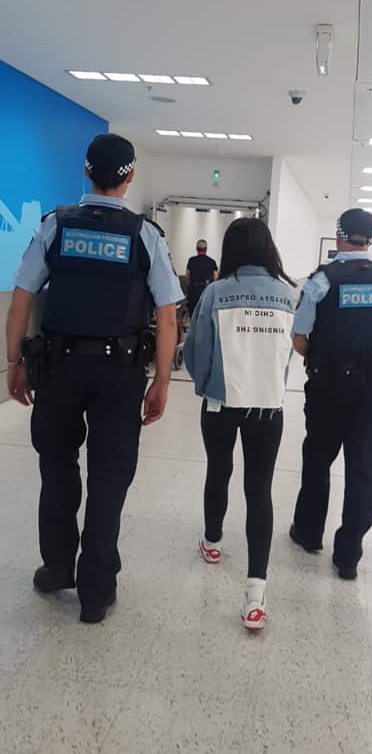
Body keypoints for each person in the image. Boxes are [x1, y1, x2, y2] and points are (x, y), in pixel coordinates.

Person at [6, 133, 182, 623]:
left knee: (57, 466)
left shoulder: (55, 225)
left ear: (87, 172)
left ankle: (59, 566)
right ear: (129, 176)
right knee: (110, 476)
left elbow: (21, 298)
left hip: (57, 369)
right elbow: (166, 317)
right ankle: (96, 589)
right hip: (119, 374)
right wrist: (163, 381)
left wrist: (15, 362)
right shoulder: (145, 235)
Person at [290, 208, 372, 580]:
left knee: (317, 460)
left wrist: (318, 358)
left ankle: (309, 534)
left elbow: (299, 338)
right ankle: (348, 556)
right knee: (364, 469)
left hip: (327, 387)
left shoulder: (320, 281)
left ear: (340, 235)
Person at [184, 218, 296, 630]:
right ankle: (255, 593)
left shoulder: (216, 292)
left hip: (220, 402)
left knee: (219, 469)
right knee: (259, 488)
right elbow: (288, 354)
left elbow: (197, 350)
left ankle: (213, 542)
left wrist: (208, 385)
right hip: (268, 406)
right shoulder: (289, 295)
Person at [185, 239, 218, 317]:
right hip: (207, 292)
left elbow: (187, 277)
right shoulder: (212, 262)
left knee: (193, 315)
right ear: (206, 249)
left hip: (193, 292)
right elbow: (216, 278)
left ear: (196, 249)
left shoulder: (191, 260)